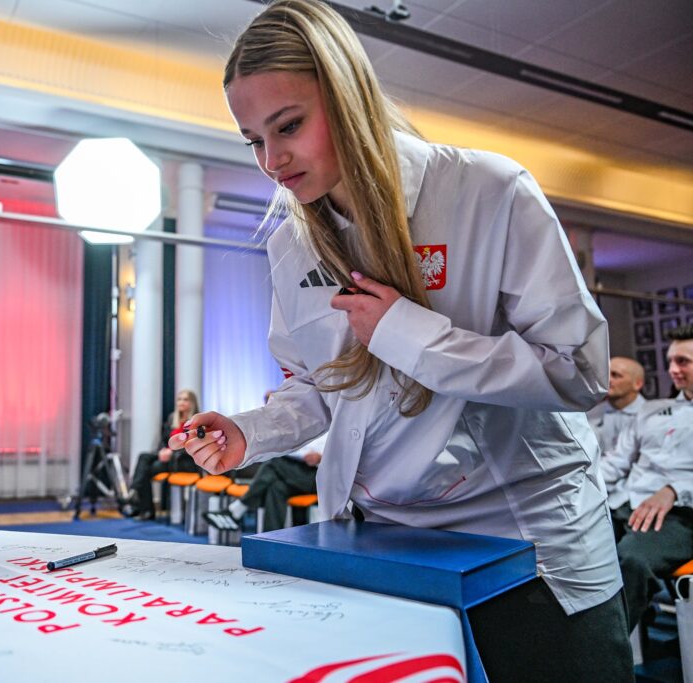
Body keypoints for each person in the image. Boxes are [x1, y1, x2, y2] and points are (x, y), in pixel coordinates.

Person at [169, 2, 630, 680]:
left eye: (288, 126)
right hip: (378, 544)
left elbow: (580, 370)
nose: (272, 160)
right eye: (252, 141)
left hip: (521, 546)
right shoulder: (293, 243)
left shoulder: (487, 191)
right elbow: (321, 386)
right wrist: (249, 432)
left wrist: (408, 334)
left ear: (349, 99)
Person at [602, 326, 693, 631]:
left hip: (680, 516)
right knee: (572, 545)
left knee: (631, 560)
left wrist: (675, 490)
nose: (673, 370)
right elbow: (616, 462)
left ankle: (604, 649)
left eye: (683, 361)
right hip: (626, 505)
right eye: (671, 361)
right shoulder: (653, 411)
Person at [205, 430, 324, 533]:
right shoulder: (309, 424)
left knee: (273, 463)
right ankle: (272, 539)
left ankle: (238, 508)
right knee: (276, 487)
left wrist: (320, 457)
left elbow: (335, 459)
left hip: (319, 479)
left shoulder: (332, 426)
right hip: (298, 472)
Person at [128, 389, 201, 520]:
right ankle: (136, 495)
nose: (181, 402)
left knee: (148, 469)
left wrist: (172, 453)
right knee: (143, 457)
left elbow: (194, 446)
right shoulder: (172, 418)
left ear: (192, 403)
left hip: (184, 461)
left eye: (185, 399)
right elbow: (164, 440)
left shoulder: (197, 422)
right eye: (179, 399)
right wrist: (162, 450)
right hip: (169, 457)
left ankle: (141, 504)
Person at [588, 356, 645, 456]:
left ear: (637, 384)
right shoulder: (589, 415)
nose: (608, 380)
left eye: (615, 375)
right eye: (606, 375)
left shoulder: (653, 416)